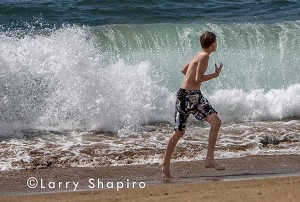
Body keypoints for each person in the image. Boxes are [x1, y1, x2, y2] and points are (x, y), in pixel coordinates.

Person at [161, 31, 225, 179]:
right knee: (179, 132)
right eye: (216, 41)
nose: (217, 44)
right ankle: (164, 163)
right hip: (186, 97)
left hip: (194, 96)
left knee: (216, 122)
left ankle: (209, 160)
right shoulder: (205, 56)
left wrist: (191, 84)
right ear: (213, 43)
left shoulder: (199, 54)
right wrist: (215, 75)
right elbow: (198, 78)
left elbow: (185, 70)